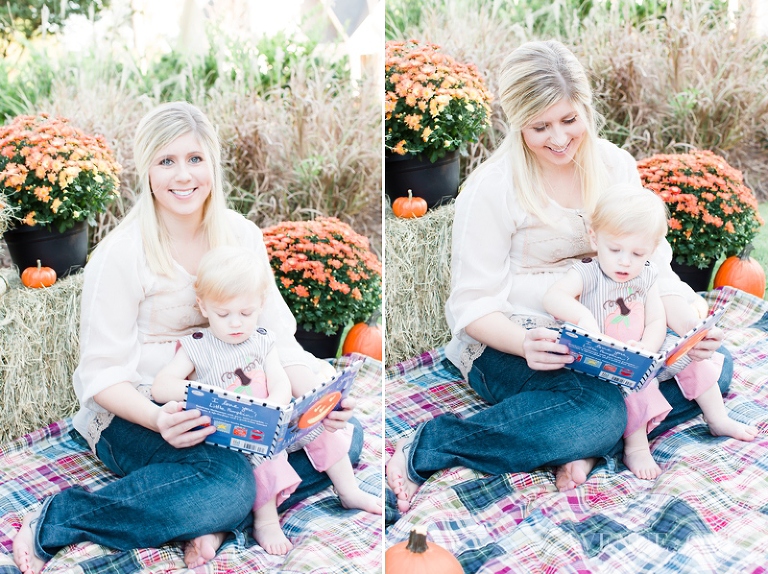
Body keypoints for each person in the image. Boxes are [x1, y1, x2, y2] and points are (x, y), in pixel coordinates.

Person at [12, 101, 365, 574]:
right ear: (147, 169)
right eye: (166, 161)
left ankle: (215, 522)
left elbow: (276, 339)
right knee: (228, 483)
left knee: (344, 438)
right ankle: (62, 519)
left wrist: (319, 399)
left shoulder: (240, 237)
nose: (183, 176)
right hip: (142, 411)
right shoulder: (121, 254)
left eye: (195, 159)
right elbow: (101, 377)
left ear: (213, 164)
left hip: (240, 405)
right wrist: (160, 422)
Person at [386, 40, 733, 512]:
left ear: (586, 109)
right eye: (539, 126)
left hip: (611, 334)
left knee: (714, 366)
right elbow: (471, 307)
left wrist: (690, 331)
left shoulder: (615, 166)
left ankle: (583, 446)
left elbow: (653, 268)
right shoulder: (491, 188)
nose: (558, 139)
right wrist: (523, 343)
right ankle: (433, 442)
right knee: (599, 411)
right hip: (515, 340)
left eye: (569, 120)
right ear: (516, 122)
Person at [152, 245, 381, 556]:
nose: (236, 323)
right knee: (262, 459)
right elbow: (161, 387)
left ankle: (349, 490)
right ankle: (266, 522)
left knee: (321, 431)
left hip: (271, 422)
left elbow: (279, 380)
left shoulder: (261, 340)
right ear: (203, 306)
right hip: (233, 437)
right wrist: (209, 397)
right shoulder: (197, 347)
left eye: (246, 313)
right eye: (224, 314)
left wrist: (277, 404)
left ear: (259, 304)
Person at [543, 184, 758, 480]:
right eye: (615, 249)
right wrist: (582, 317)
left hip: (644, 353)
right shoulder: (587, 273)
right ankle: (636, 448)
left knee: (696, 362)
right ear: (595, 237)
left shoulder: (645, 274)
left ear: (651, 250)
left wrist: (648, 347)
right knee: (633, 388)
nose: (624, 261)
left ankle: (718, 418)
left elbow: (657, 319)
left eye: (637, 252)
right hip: (606, 363)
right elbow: (553, 298)